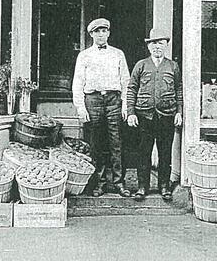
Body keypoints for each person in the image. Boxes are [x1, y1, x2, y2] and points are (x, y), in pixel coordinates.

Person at [72, 18, 132, 197]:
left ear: (108, 33)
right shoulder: (84, 55)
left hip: (114, 100)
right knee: (95, 143)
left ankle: (119, 182)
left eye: (104, 31)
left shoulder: (118, 54)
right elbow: (78, 82)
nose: (101, 34)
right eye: (97, 31)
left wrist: (125, 105)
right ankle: (98, 183)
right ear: (91, 34)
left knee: (117, 142)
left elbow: (125, 81)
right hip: (93, 100)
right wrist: (81, 108)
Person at [125, 28, 183, 201]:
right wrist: (131, 112)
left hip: (166, 116)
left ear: (166, 45)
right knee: (144, 152)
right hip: (144, 116)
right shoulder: (141, 65)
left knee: (165, 152)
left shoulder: (172, 66)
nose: (157, 46)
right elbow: (131, 89)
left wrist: (179, 112)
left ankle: (164, 186)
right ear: (148, 46)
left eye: (161, 43)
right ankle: (143, 186)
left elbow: (178, 90)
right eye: (153, 43)